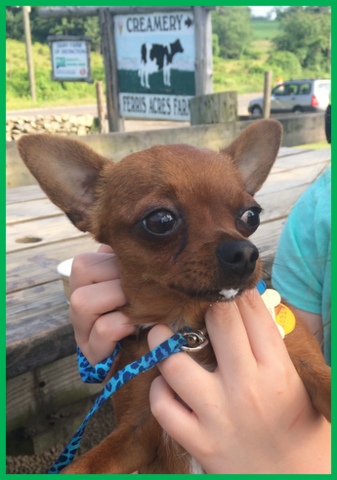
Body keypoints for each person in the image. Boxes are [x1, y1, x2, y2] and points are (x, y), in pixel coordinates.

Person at [69, 168, 331, 473]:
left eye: (246, 218)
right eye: (162, 222)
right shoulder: (320, 209)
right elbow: (137, 438)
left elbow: (314, 374)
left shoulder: (275, 319)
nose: (240, 249)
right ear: (90, 205)